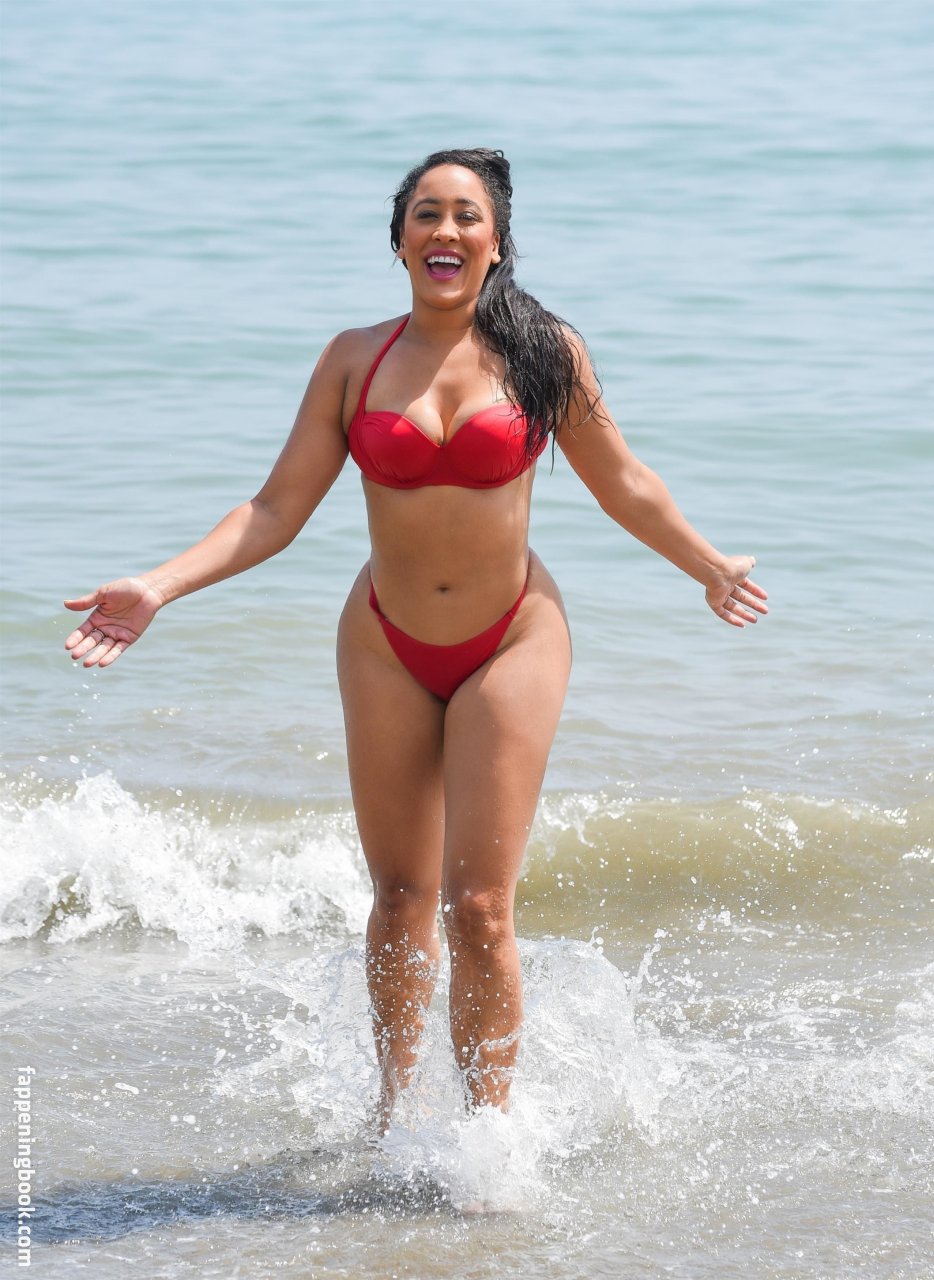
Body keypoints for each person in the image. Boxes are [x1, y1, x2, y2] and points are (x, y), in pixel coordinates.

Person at [63, 147, 768, 1128]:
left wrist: (707, 564)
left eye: (467, 215)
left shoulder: (545, 352)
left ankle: (487, 1141)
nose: (446, 230)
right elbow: (274, 508)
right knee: (399, 897)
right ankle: (395, 1123)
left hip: (512, 636)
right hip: (384, 641)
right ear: (398, 239)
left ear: (496, 241)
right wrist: (159, 586)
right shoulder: (353, 359)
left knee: (479, 908)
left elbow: (622, 480)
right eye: (426, 213)